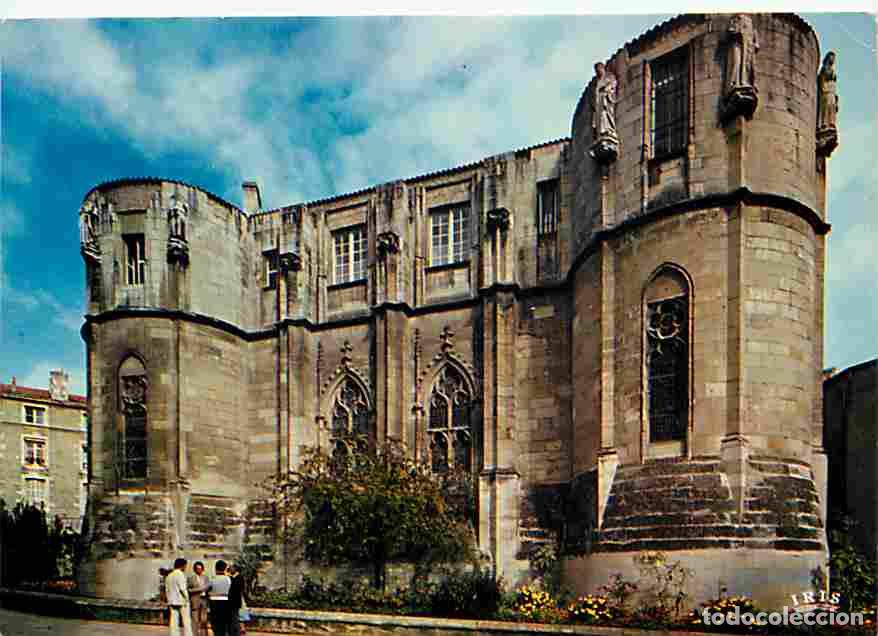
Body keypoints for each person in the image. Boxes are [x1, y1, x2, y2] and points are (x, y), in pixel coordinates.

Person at [165, 558, 193, 636]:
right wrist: (187, 599)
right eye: (185, 566)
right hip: (182, 601)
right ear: (182, 566)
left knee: (173, 621)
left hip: (172, 600)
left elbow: (167, 590)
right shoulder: (180, 574)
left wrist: (169, 599)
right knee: (186, 621)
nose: (185, 568)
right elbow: (182, 589)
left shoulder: (169, 576)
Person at [208, 560, 233, 636]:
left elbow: (207, 588)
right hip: (225, 601)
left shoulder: (213, 579)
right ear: (225, 569)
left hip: (214, 602)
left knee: (215, 623)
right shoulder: (228, 579)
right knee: (223, 623)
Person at [187, 561, 210, 636]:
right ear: (195, 569)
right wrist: (199, 589)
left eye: (200, 568)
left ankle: (204, 634)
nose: (199, 570)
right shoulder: (191, 578)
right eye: (197, 568)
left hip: (204, 600)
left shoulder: (206, 578)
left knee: (204, 620)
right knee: (195, 620)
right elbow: (188, 590)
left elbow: (208, 588)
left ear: (203, 569)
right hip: (195, 600)